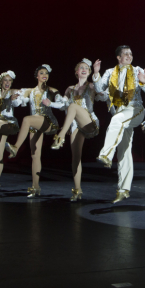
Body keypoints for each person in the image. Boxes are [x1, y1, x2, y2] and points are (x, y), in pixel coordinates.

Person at [92, 45, 145, 203]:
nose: (129, 56)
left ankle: (106, 154)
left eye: (130, 54)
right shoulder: (110, 72)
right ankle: (123, 189)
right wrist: (97, 73)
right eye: (125, 54)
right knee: (124, 150)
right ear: (118, 57)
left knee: (116, 120)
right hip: (120, 112)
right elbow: (99, 89)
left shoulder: (137, 70)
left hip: (135, 110)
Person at [49, 59, 108, 201]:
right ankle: (77, 190)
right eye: (81, 67)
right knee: (76, 157)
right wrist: (50, 103)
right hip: (76, 125)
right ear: (76, 71)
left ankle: (60, 136)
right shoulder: (70, 89)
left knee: (73, 107)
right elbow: (63, 105)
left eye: (86, 68)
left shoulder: (92, 86)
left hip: (89, 121)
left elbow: (103, 93)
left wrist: (96, 73)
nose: (84, 69)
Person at [5, 65, 63, 198]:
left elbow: (62, 104)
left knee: (26, 119)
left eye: (46, 73)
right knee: (35, 156)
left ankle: (15, 147)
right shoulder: (29, 91)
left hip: (48, 122)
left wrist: (51, 104)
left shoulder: (51, 90)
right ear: (36, 76)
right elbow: (17, 103)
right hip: (34, 124)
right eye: (41, 73)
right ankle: (35, 187)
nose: (44, 75)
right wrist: (14, 99)